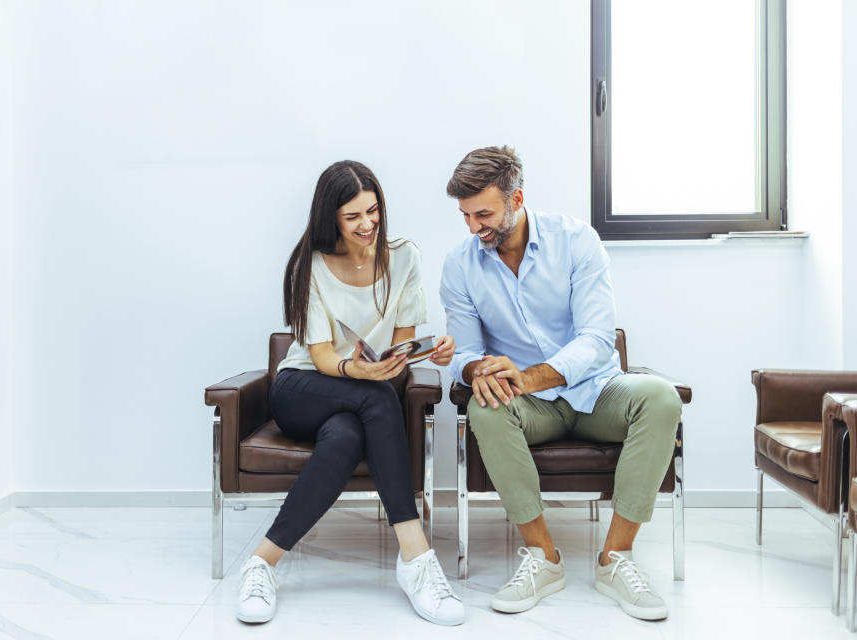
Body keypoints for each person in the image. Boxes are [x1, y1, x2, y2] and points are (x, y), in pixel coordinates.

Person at [439, 146, 682, 621]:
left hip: (596, 393)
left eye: (483, 214)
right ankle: (543, 558)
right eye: (465, 216)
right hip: (530, 410)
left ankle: (615, 558)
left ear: (517, 199)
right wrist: (474, 372)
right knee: (484, 407)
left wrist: (529, 377)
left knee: (660, 396)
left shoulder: (576, 241)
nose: (473, 227)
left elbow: (596, 337)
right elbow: (465, 352)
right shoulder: (460, 264)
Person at [236, 160, 464, 626]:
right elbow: (320, 357)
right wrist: (357, 370)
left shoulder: (404, 257)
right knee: (376, 398)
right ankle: (416, 558)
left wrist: (427, 354)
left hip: (359, 394)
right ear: (330, 219)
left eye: (373, 211)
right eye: (353, 216)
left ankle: (261, 563)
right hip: (303, 387)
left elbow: (399, 347)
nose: (367, 225)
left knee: (344, 437)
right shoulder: (311, 265)